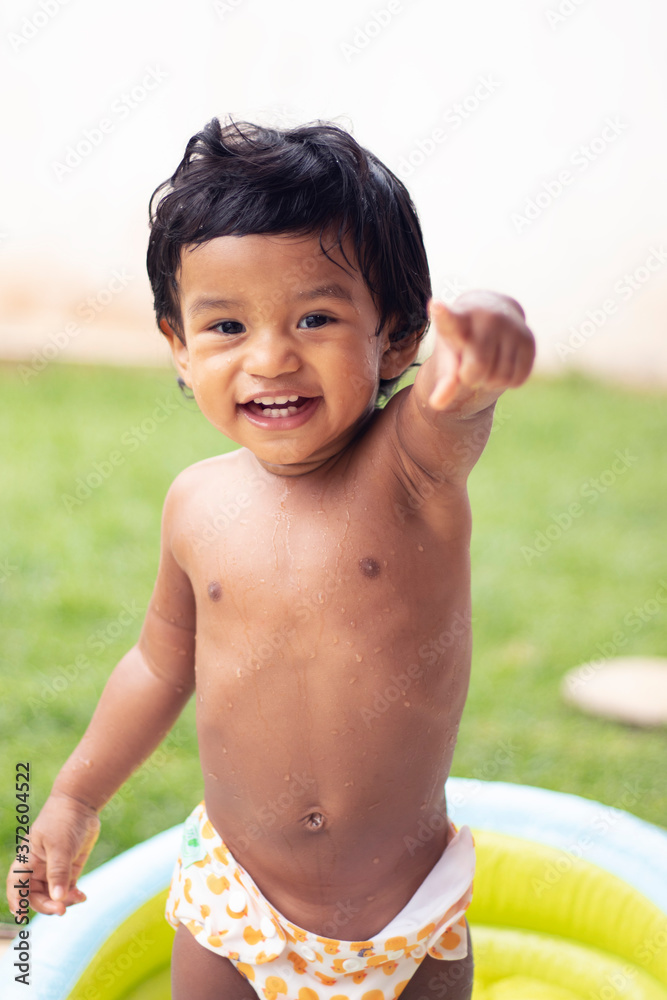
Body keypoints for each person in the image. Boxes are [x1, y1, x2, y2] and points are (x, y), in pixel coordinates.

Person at [6, 116, 535, 999]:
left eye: (316, 316)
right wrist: (71, 798)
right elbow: (156, 665)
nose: (271, 356)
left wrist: (486, 335)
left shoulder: (409, 467)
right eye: (224, 326)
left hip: (402, 917)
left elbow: (456, 396)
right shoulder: (197, 504)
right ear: (178, 346)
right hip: (234, 903)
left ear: (396, 337)